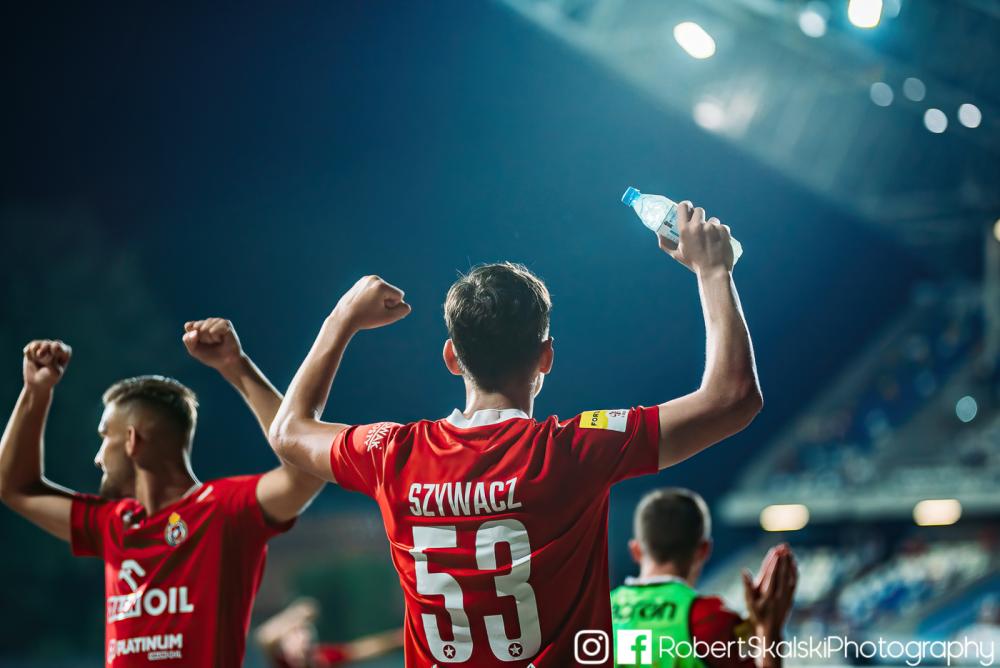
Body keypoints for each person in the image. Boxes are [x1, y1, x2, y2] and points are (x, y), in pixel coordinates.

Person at [268, 201, 762, 666]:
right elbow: (733, 398)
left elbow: (288, 430)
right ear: (546, 357)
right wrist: (713, 271)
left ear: (451, 357)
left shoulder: (392, 454)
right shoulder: (576, 449)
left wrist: (342, 319)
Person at [0, 318, 326, 667]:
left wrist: (237, 365)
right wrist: (35, 392)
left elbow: (306, 472)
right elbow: (14, 487)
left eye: (104, 437)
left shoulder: (221, 511)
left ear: (131, 440)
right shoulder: (113, 524)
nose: (98, 458)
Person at [611, 488, 797, 668]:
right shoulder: (710, 620)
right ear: (704, 550)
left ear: (635, 550)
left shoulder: (603, 612)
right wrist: (769, 629)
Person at [254, 597, 404, 667]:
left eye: (304, 633)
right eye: (294, 634)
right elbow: (263, 637)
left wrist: (397, 639)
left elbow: (360, 650)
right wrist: (295, 615)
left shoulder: (321, 659)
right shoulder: (282, 663)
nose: (302, 639)